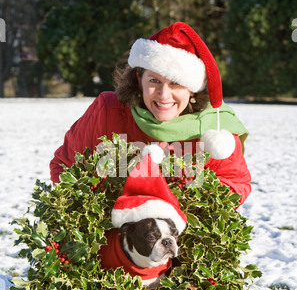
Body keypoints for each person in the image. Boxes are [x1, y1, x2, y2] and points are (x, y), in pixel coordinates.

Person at [50, 22, 251, 205]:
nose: (164, 95)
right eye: (154, 81)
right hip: (115, 238)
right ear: (139, 80)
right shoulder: (108, 111)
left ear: (192, 90)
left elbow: (235, 182)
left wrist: (188, 213)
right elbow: (66, 165)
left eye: (176, 83)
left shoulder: (214, 127)